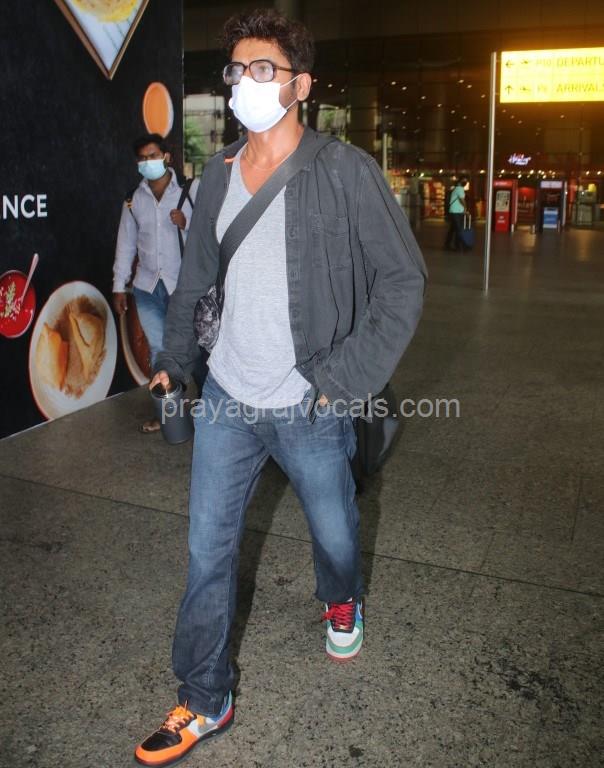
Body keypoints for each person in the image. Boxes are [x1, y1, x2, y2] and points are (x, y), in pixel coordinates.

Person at [135, 9, 427, 767]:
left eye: (263, 69)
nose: (245, 83)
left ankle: (342, 598)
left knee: (335, 534)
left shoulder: (346, 173)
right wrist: (176, 361)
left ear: (301, 85)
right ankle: (205, 698)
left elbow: (403, 283)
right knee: (207, 552)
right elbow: (195, 282)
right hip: (228, 400)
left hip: (309, 400)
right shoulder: (217, 176)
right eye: (236, 70)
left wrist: (342, 382)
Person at [112, 133, 200, 432]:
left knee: (193, 348)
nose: (148, 162)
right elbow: (126, 245)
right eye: (142, 158)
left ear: (166, 157)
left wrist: (186, 225)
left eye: (152, 156)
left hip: (183, 287)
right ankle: (167, 414)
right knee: (159, 350)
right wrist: (119, 286)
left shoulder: (190, 190)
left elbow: (210, 234)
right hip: (147, 288)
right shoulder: (133, 200)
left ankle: (207, 409)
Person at [444, 175, 469, 251]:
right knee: (459, 230)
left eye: (466, 180)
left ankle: (447, 244)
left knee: (452, 229)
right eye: (464, 180)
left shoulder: (457, 188)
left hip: (455, 211)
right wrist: (466, 208)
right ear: (460, 181)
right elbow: (462, 200)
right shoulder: (459, 189)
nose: (465, 182)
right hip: (456, 212)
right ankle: (458, 246)